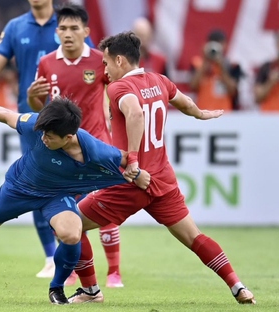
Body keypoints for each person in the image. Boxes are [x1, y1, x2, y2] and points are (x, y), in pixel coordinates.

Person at [64, 32, 256, 305]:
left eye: (106, 63)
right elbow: (184, 102)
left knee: (70, 223)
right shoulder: (160, 81)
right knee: (194, 237)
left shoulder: (119, 88)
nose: (104, 70)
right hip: (162, 181)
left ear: (119, 60)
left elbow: (135, 113)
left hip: (130, 182)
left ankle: (91, 291)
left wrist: (132, 160)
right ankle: (238, 286)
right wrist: (200, 114)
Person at [0, 96, 151, 304]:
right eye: (43, 133)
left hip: (57, 195)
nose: (44, 138)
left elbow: (123, 157)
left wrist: (137, 172)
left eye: (51, 136)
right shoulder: (35, 124)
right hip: (20, 188)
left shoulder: (94, 150)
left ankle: (56, 288)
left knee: (71, 233)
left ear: (68, 137)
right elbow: (7, 115)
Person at [0, 0, 93, 278]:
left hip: (70, 122)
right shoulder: (15, 27)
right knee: (38, 186)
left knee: (85, 191)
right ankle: (52, 256)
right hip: (33, 121)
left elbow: (97, 64)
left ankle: (80, 255)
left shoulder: (68, 23)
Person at [27, 3, 123, 288]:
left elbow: (118, 91)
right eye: (63, 29)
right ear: (57, 32)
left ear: (86, 31)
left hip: (96, 146)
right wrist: (32, 97)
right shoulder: (47, 62)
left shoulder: (98, 60)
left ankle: (114, 272)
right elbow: (40, 109)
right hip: (63, 151)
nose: (68, 34)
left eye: (74, 28)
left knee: (104, 208)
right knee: (64, 211)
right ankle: (70, 270)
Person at [189, 29, 242, 111]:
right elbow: (193, 86)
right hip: (203, 112)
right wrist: (205, 63)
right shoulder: (197, 64)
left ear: (225, 45)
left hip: (225, 113)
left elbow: (233, 91)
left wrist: (221, 67)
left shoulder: (232, 65)